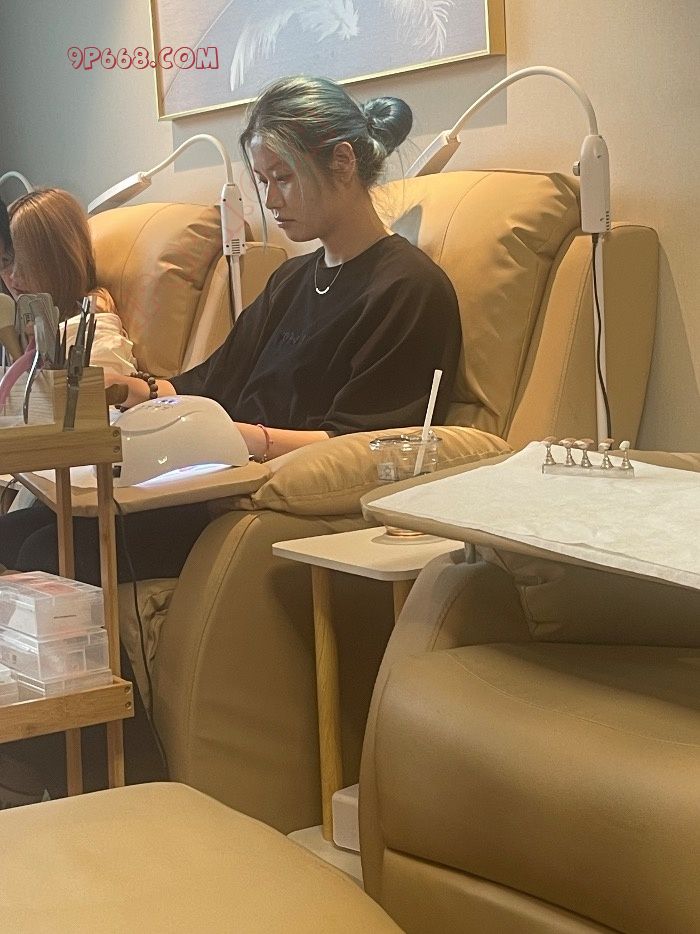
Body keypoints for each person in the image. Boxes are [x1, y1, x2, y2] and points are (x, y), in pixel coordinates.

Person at [0, 75, 461, 585]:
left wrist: (234, 439)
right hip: (209, 480)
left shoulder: (408, 289)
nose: (271, 199)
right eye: (262, 181)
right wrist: (134, 390)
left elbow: (361, 446)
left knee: (42, 549)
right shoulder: (291, 280)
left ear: (343, 163)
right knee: (10, 534)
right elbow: (212, 381)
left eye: (282, 177)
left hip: (258, 504)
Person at [0, 187, 136, 373]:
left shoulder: (93, 334)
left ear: (61, 261)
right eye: (6, 260)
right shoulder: (16, 330)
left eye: (27, 262)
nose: (14, 277)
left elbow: (95, 388)